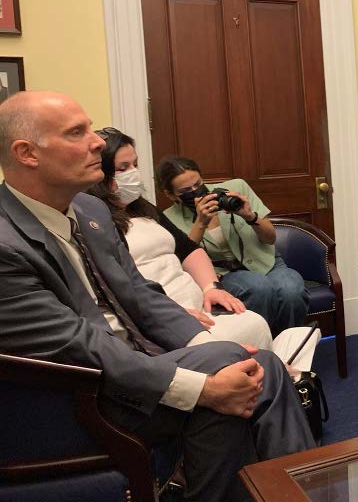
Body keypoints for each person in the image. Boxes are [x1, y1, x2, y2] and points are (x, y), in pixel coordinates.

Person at [0, 91, 313, 502]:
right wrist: (202, 387)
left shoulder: (89, 211)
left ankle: (296, 492)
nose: (97, 142)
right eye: (78, 132)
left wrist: (209, 343)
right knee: (235, 373)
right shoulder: (5, 243)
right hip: (72, 395)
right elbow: (77, 346)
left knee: (248, 367)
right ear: (27, 153)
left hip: (136, 363)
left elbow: (140, 294)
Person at [86, 127, 274, 352]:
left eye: (135, 164)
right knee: (232, 342)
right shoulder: (92, 220)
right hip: (163, 317)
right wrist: (171, 315)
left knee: (253, 322)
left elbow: (187, 249)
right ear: (101, 175)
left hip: (198, 305)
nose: (133, 173)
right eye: (123, 168)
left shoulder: (146, 209)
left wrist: (210, 287)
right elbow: (117, 288)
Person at [157, 156, 309, 335]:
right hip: (224, 273)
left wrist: (249, 216)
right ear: (171, 194)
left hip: (264, 260)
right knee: (259, 288)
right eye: (186, 190)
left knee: (292, 290)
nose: (196, 191)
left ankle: (290, 346)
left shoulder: (235, 189)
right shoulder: (168, 218)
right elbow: (185, 258)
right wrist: (201, 222)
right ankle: (262, 348)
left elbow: (270, 238)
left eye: (198, 184)